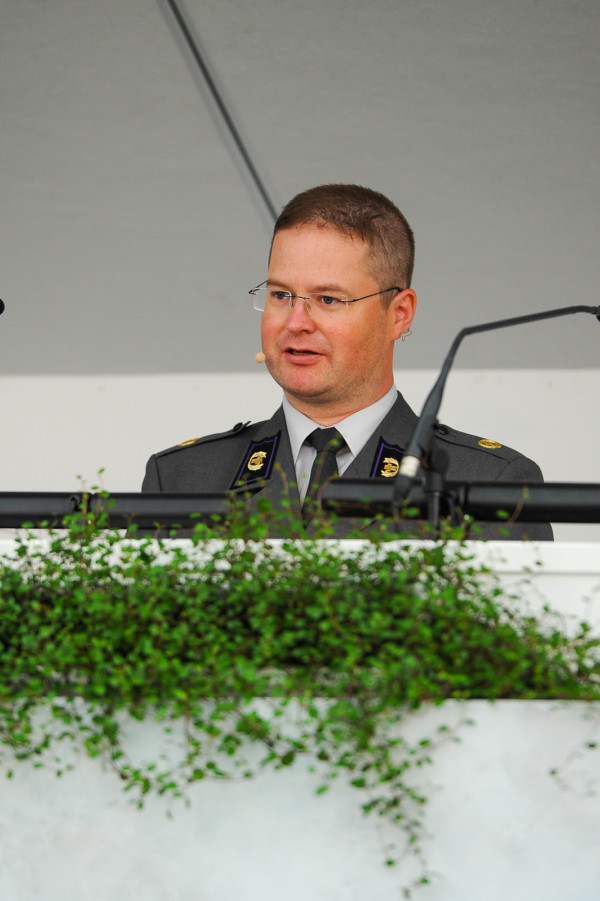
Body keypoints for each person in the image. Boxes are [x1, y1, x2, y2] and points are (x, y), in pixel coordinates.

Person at [142, 184, 552, 540]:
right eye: (281, 295)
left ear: (399, 314)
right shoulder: (181, 476)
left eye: (328, 299)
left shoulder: (489, 480)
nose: (296, 323)